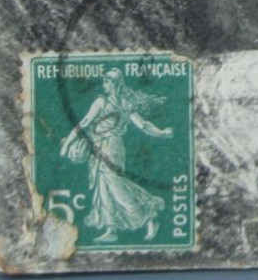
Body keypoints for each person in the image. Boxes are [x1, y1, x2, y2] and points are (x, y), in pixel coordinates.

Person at [59, 68, 173, 243]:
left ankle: (148, 216)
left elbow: (142, 124)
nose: (104, 84)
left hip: (111, 147)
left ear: (116, 84)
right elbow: (86, 122)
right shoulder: (105, 101)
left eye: (108, 81)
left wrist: (162, 133)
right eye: (104, 81)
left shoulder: (116, 103)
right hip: (98, 147)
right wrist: (68, 143)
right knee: (102, 186)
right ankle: (111, 229)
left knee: (115, 183)